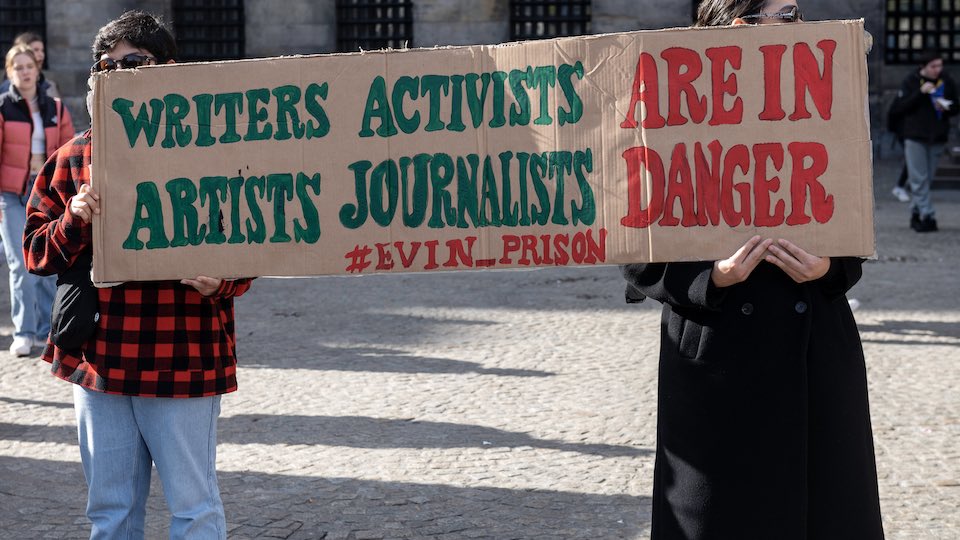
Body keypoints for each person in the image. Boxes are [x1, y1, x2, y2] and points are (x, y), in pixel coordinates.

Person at [621, 2, 885, 539]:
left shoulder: (821, 95)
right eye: (788, 12)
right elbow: (637, 256)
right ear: (743, 23)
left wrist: (830, 269)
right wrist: (711, 276)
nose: (801, 23)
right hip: (719, 354)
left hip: (815, 351)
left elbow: (850, 222)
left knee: (823, 511)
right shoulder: (666, 105)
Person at [23, 11, 252, 539]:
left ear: (169, 68)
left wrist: (222, 279)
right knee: (111, 511)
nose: (118, 72)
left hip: (182, 351)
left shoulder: (212, 155)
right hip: (100, 356)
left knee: (194, 508)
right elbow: (36, 253)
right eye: (107, 64)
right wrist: (73, 221)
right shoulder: (71, 158)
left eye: (135, 61)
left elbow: (252, 243)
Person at [0, 44, 73, 356]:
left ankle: (47, 329)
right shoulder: (3, 107)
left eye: (28, 65)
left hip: (44, 193)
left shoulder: (55, 108)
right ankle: (24, 331)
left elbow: (69, 152)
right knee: (20, 264)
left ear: (37, 69)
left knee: (48, 262)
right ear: (9, 72)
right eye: (18, 67)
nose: (25, 71)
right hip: (10, 193)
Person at [890, 49, 959, 232]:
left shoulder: (946, 80)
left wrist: (946, 106)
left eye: (940, 65)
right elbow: (900, 107)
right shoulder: (911, 81)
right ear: (924, 66)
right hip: (915, 137)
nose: (938, 69)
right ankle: (928, 216)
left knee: (925, 179)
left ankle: (915, 214)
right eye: (933, 66)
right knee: (919, 178)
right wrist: (920, 93)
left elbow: (956, 106)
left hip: (937, 137)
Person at [0, 32, 60, 98]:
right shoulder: (6, 90)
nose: (41, 55)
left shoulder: (49, 86)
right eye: (36, 50)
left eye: (42, 50)